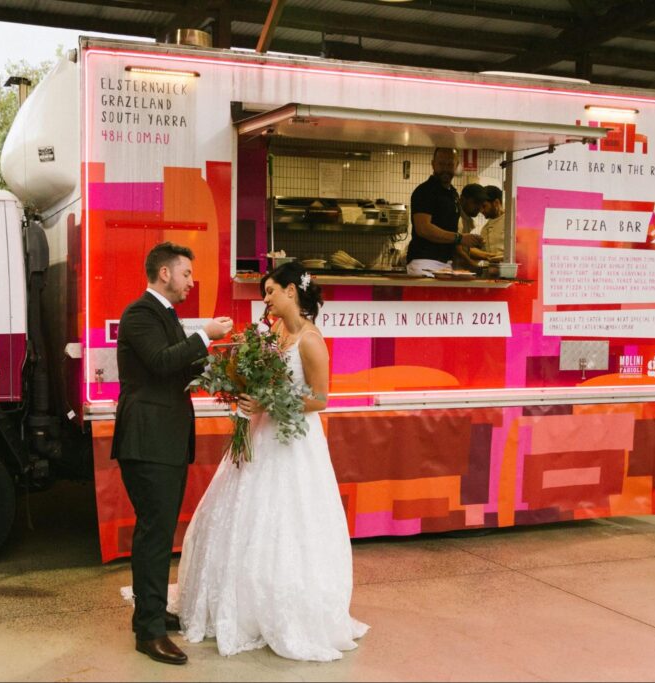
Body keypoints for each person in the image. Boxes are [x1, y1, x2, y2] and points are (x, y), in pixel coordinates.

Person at [175, 261, 369, 662]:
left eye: (270, 291)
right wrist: (245, 392)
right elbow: (260, 373)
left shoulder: (311, 341)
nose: (265, 299)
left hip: (293, 443)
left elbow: (319, 399)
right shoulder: (276, 331)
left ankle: (283, 610)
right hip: (261, 434)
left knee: (288, 522)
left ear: (291, 293)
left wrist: (269, 402)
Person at [112, 241, 233, 666]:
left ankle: (151, 611)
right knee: (155, 534)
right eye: (186, 274)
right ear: (164, 273)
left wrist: (226, 362)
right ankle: (148, 632)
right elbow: (162, 363)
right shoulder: (140, 313)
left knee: (158, 531)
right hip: (148, 441)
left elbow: (177, 369)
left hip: (163, 440)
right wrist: (205, 336)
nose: (190, 281)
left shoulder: (164, 315)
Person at [406, 148, 485, 276]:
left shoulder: (452, 194)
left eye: (449, 165)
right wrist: (460, 238)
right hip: (424, 262)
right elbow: (423, 228)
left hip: (445, 264)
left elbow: (450, 234)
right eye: (441, 164)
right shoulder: (424, 191)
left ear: (456, 166)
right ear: (433, 164)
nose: (445, 169)